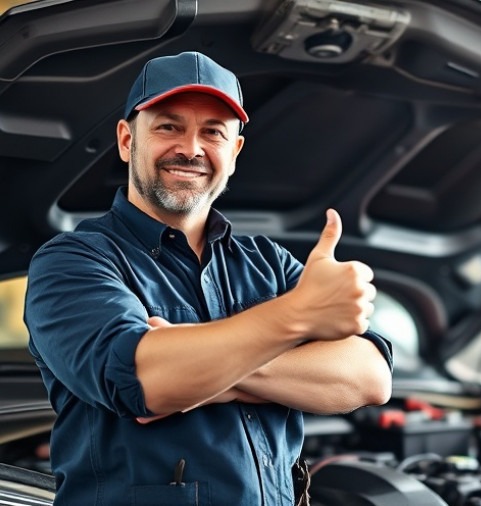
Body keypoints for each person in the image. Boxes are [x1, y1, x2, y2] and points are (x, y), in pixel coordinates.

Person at [24, 51, 393, 505]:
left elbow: (369, 376)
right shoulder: (73, 261)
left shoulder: (269, 263)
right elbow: (144, 381)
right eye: (168, 127)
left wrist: (207, 369)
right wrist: (294, 321)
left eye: (213, 132)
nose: (191, 148)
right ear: (126, 140)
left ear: (234, 152)